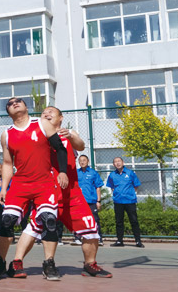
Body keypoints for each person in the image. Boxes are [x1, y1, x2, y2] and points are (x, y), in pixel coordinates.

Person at [7, 107, 112, 278]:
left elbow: (81, 145)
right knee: (33, 228)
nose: (46, 114)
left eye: (51, 112)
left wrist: (71, 136)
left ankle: (90, 264)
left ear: (61, 118)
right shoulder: (38, 133)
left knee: (91, 228)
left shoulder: (68, 134)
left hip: (72, 194)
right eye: (44, 112)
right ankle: (17, 262)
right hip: (47, 191)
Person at [0, 97, 69, 281]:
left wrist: (63, 171)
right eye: (10, 103)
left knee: (49, 221)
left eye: (18, 101)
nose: (14, 103)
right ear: (8, 112)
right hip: (20, 184)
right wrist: (3, 188)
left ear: (26, 106)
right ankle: (0, 261)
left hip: (44, 183)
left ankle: (49, 263)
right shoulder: (6, 134)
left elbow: (60, 149)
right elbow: (7, 163)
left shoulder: (42, 124)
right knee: (6, 221)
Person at [106, 157, 143, 248]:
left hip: (130, 201)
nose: (117, 163)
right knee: (119, 222)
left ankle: (138, 241)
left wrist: (129, 193)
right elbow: (112, 186)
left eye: (119, 161)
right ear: (113, 164)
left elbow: (136, 186)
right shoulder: (112, 175)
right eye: (115, 162)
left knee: (134, 221)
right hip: (118, 201)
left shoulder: (130, 173)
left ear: (123, 162)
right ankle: (119, 241)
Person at [77, 154, 104, 245]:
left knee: (95, 219)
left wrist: (98, 201)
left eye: (84, 160)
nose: (82, 162)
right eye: (80, 160)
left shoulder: (93, 173)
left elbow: (98, 187)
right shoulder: (76, 173)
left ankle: (98, 238)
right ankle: (77, 238)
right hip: (79, 201)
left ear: (88, 161)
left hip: (91, 201)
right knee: (79, 220)